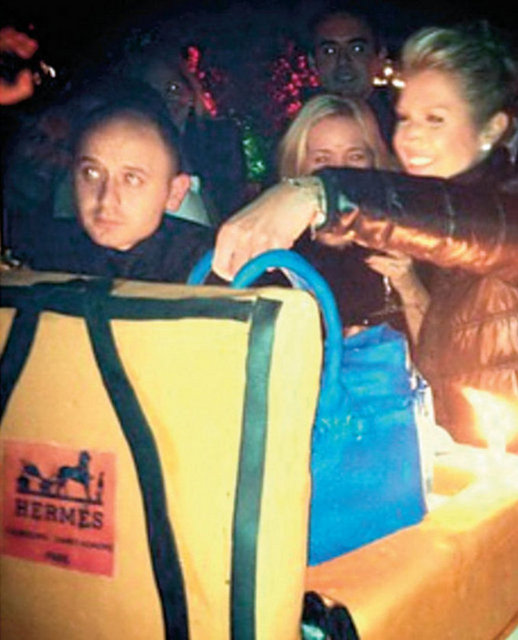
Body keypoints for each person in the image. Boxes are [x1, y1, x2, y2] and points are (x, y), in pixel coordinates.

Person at [212, 23, 518, 452]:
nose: (412, 136)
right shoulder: (430, 242)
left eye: (436, 119)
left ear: (490, 130)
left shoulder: (497, 213)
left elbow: (471, 223)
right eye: (407, 118)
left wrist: (320, 193)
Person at [13, 92, 214, 283]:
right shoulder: (37, 251)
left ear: (174, 193)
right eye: (91, 173)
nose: (107, 199)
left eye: (132, 179)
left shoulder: (211, 266)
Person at [277, 93, 427, 340]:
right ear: (298, 167)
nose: (340, 172)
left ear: (374, 162)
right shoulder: (278, 250)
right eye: (322, 159)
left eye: (355, 156)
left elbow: (443, 348)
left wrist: (409, 286)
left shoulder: (404, 235)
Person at [304, 7, 397, 148]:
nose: (343, 61)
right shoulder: (297, 134)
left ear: (380, 56)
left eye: (357, 49)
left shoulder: (402, 132)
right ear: (312, 62)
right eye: (330, 51)